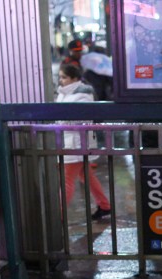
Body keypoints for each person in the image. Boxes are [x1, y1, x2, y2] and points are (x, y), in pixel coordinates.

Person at [56, 63, 112, 221]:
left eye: (64, 77)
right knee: (86, 175)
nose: (61, 80)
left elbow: (80, 117)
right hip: (72, 141)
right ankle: (104, 205)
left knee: (67, 179)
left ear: (75, 78)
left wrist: (62, 122)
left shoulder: (83, 93)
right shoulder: (64, 93)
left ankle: (58, 216)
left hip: (77, 143)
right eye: (60, 77)